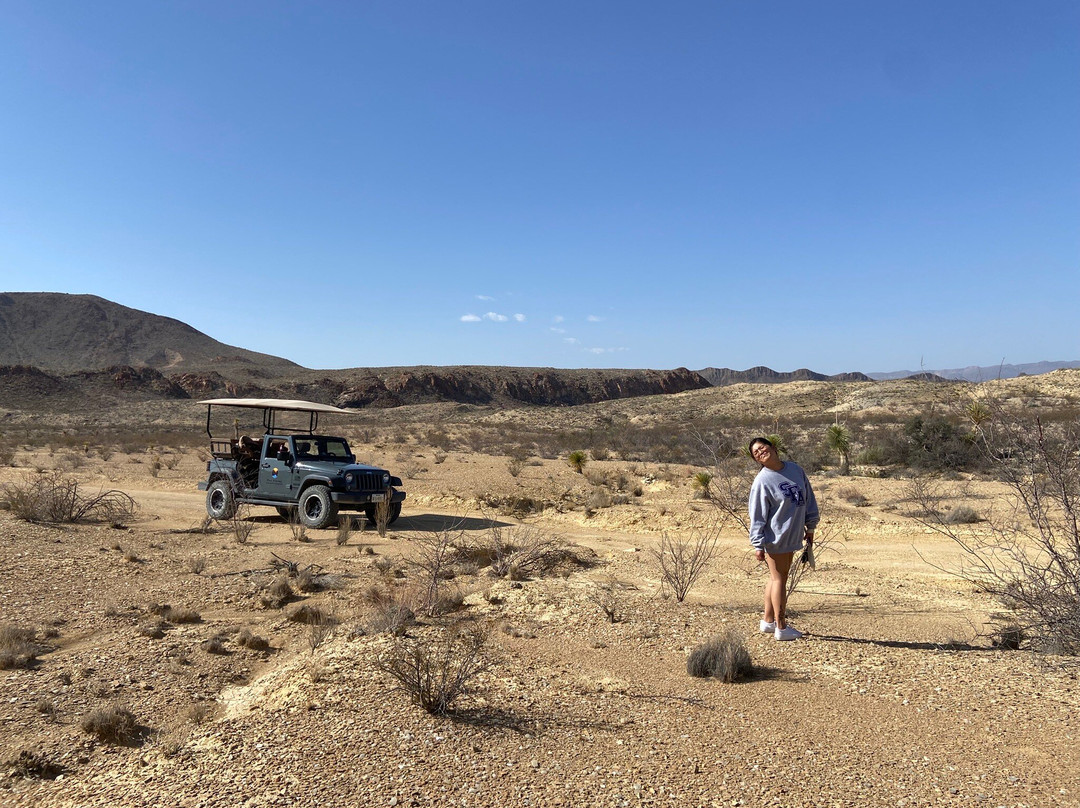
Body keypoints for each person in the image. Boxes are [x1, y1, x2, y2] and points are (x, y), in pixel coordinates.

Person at [747, 436, 819, 641]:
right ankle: (781, 626)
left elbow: (808, 498)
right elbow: (757, 514)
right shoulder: (762, 481)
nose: (761, 452)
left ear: (773, 447)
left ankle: (768, 621)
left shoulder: (795, 470)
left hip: (792, 534)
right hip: (775, 537)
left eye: (763, 448)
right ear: (756, 460)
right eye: (756, 453)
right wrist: (758, 543)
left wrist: (811, 526)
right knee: (779, 579)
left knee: (777, 578)